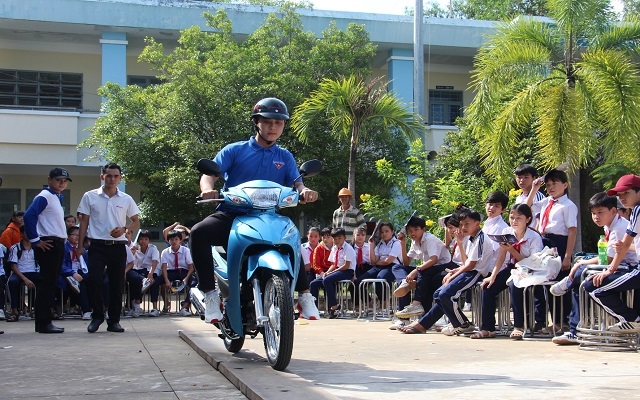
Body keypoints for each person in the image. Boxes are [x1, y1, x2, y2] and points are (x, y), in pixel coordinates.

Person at [188, 98, 320, 325]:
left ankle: (305, 295)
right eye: (268, 122)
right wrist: (208, 189)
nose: (273, 127)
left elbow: (297, 183)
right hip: (232, 214)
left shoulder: (285, 157)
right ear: (256, 122)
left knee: (291, 235)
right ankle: (210, 294)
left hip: (269, 216)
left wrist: (305, 190)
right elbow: (210, 173)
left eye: (278, 123)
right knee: (199, 232)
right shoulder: (235, 150)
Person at [551, 192, 637, 344]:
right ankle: (574, 329)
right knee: (582, 274)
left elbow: (610, 258)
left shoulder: (620, 227)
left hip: (628, 267)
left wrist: (581, 264)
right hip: (618, 265)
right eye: (593, 213)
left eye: (600, 212)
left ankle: (569, 285)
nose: (596, 217)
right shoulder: (609, 226)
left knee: (585, 277)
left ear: (613, 211)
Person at [398, 208, 494, 335]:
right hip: (467, 270)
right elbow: (466, 263)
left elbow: (471, 266)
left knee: (445, 294)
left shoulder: (480, 238)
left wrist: (454, 274)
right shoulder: (471, 238)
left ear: (477, 223)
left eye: (467, 224)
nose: (463, 227)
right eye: (461, 224)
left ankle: (461, 323)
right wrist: (454, 270)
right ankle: (428, 323)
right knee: (438, 294)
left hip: (475, 274)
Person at [77, 162, 140, 333]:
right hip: (96, 245)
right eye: (109, 175)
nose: (112, 179)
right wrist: (80, 246)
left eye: (116, 176)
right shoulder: (90, 196)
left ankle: (114, 320)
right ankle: (97, 316)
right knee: (95, 280)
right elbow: (84, 222)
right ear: (102, 176)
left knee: (116, 283)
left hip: (118, 246)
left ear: (120, 178)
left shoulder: (126, 198)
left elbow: (136, 221)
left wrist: (124, 229)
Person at [583, 175, 640, 333]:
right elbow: (628, 245)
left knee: (593, 287)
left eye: (626, 193)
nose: (621, 198)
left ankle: (632, 320)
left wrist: (610, 269)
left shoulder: (637, 211)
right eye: (619, 195)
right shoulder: (634, 212)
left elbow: (627, 243)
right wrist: (627, 247)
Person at [476, 204, 543, 339]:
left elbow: (532, 263)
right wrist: (493, 276)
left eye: (519, 218)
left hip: (530, 269)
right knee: (488, 287)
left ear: (528, 219)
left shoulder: (534, 237)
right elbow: (501, 257)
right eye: (512, 218)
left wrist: (512, 250)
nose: (514, 221)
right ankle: (488, 328)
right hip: (512, 268)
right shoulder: (507, 231)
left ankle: (519, 325)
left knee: (515, 285)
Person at [527, 169, 578, 331]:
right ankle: (555, 321)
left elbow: (572, 230)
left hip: (559, 242)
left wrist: (567, 256)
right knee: (547, 282)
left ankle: (564, 321)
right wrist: (534, 189)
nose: (550, 187)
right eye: (548, 185)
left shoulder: (568, 205)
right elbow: (525, 208)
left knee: (560, 282)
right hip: (544, 241)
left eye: (554, 183)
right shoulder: (547, 201)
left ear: (565, 185)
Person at [23, 167, 71, 334]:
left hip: (57, 243)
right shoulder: (45, 196)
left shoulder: (56, 197)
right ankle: (43, 322)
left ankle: (45, 321)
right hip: (48, 243)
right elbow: (29, 216)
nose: (62, 183)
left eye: (64, 181)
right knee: (46, 284)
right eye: (58, 180)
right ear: (49, 179)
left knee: (50, 283)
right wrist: (36, 240)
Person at [393, 216, 456, 329]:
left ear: (423, 229)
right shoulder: (414, 242)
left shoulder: (429, 239)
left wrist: (415, 271)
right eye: (410, 231)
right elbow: (406, 262)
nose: (413, 233)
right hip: (429, 269)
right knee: (397, 267)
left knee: (423, 272)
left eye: (416, 230)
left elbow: (434, 259)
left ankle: (416, 305)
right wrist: (402, 244)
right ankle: (405, 283)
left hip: (443, 267)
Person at [354, 222, 403, 313]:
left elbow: (388, 260)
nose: (384, 234)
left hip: (392, 267)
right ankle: (370, 303)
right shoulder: (380, 244)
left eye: (386, 231)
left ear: (392, 232)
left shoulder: (396, 243)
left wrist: (377, 262)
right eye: (382, 232)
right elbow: (372, 260)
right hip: (379, 266)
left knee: (380, 279)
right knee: (358, 282)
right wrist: (371, 246)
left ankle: (384, 305)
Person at [309, 228, 356, 318]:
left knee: (327, 280)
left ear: (344, 238)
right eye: (335, 239)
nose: (337, 241)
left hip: (347, 271)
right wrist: (327, 272)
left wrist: (332, 272)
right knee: (313, 283)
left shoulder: (348, 248)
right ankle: (313, 309)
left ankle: (334, 307)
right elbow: (334, 264)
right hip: (337, 270)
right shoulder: (335, 248)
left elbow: (346, 266)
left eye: (339, 238)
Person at [5, 226, 42, 323]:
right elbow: (13, 266)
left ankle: (38, 309)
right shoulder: (15, 247)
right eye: (27, 232)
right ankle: (15, 311)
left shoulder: (36, 247)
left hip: (33, 272)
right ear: (21, 234)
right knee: (12, 282)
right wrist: (25, 279)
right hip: (19, 272)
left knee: (44, 281)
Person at [161, 230, 195, 316]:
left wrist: (186, 279)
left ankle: (185, 306)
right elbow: (164, 268)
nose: (174, 242)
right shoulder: (165, 252)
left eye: (176, 239)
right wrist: (167, 280)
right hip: (171, 271)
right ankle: (160, 305)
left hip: (184, 272)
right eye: (171, 239)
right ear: (168, 241)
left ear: (180, 240)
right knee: (156, 281)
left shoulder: (186, 250)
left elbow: (191, 268)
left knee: (194, 284)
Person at [128, 230, 161, 316]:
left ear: (149, 240)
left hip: (151, 271)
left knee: (153, 282)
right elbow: (130, 262)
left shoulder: (153, 248)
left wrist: (150, 274)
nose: (143, 241)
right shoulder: (134, 248)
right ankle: (135, 307)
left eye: (146, 239)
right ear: (138, 240)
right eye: (141, 239)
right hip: (139, 271)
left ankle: (154, 308)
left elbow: (154, 262)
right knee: (134, 280)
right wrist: (132, 253)